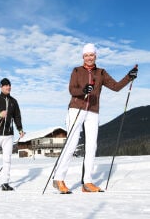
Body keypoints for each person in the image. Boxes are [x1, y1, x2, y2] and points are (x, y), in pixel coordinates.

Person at [52, 43, 138, 193]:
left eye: (91, 55)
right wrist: (83, 90)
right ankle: (59, 178)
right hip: (76, 109)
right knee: (71, 144)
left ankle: (87, 182)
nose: (89, 58)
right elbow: (72, 89)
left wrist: (129, 77)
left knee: (92, 146)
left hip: (93, 111)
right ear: (83, 57)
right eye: (86, 55)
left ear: (95, 56)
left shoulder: (101, 73)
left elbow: (116, 87)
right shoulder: (77, 71)